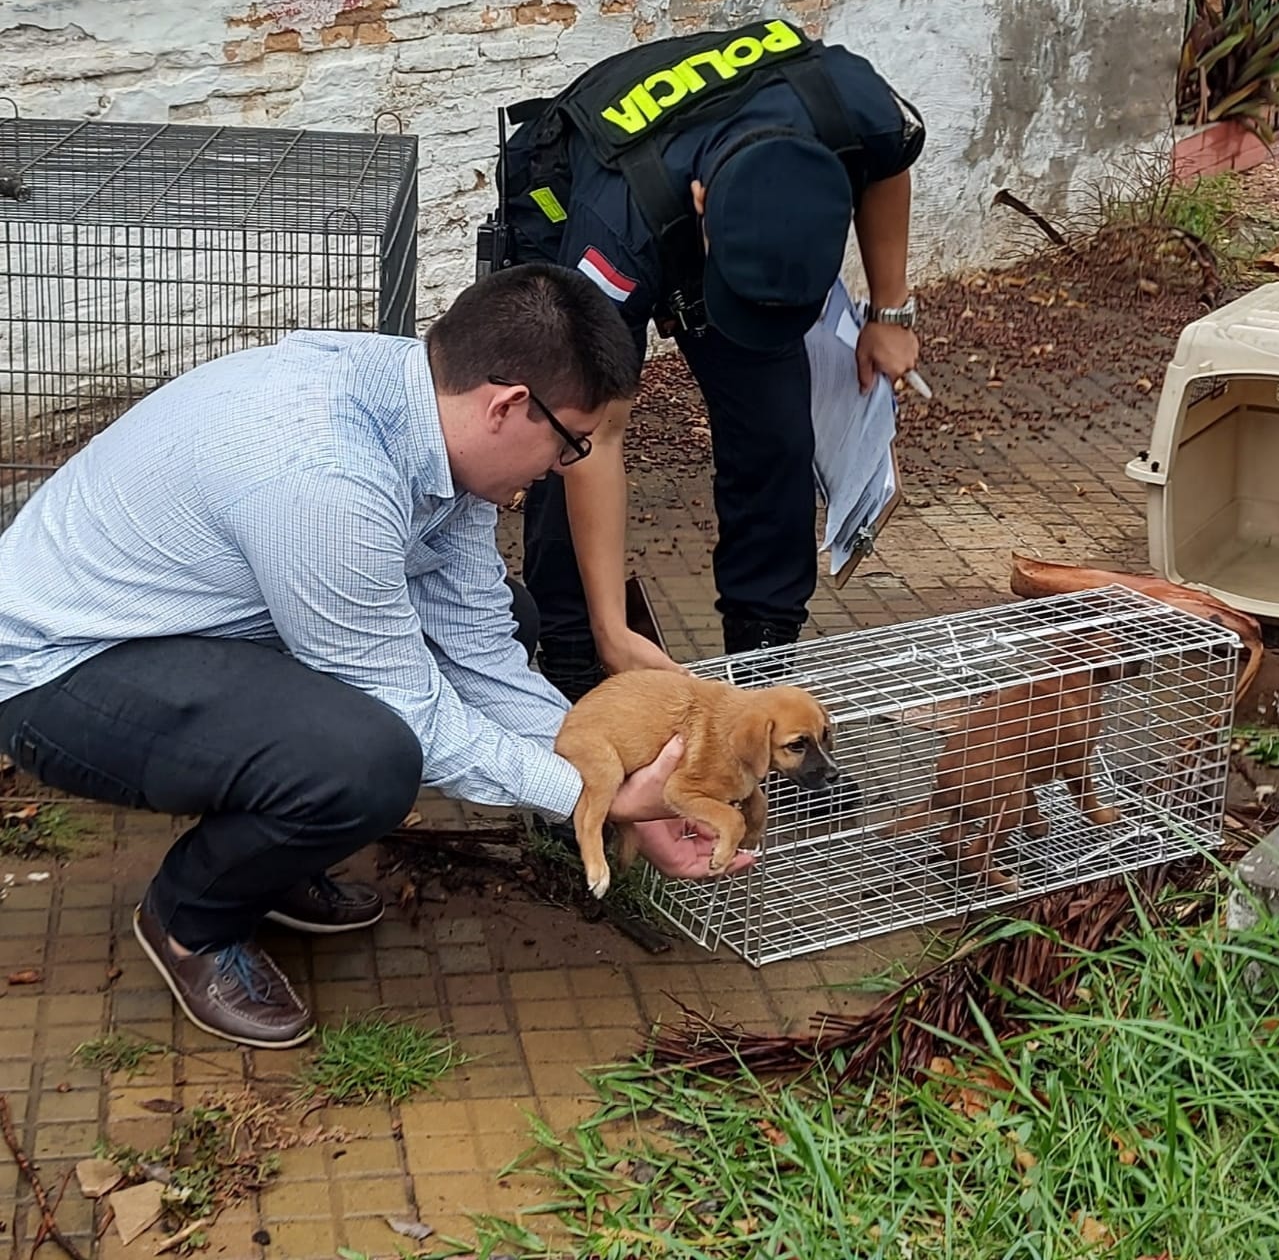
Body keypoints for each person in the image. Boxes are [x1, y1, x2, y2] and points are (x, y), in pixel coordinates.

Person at [0, 264, 750, 1050]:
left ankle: (274, 854)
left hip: (194, 625)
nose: (564, 470)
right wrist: (586, 799)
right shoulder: (326, 480)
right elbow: (413, 715)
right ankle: (192, 919)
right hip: (62, 668)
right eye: (569, 444)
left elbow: (476, 641)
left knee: (509, 623)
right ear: (508, 406)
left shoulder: (426, 413)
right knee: (367, 760)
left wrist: (613, 773)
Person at [483, 17, 925, 701]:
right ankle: (576, 670)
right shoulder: (613, 235)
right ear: (702, 209)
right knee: (558, 437)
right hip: (578, 196)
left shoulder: (845, 97)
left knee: (778, 440)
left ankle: (763, 672)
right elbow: (595, 438)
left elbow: (886, 163)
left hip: (727, 218)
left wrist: (888, 313)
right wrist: (610, 628)